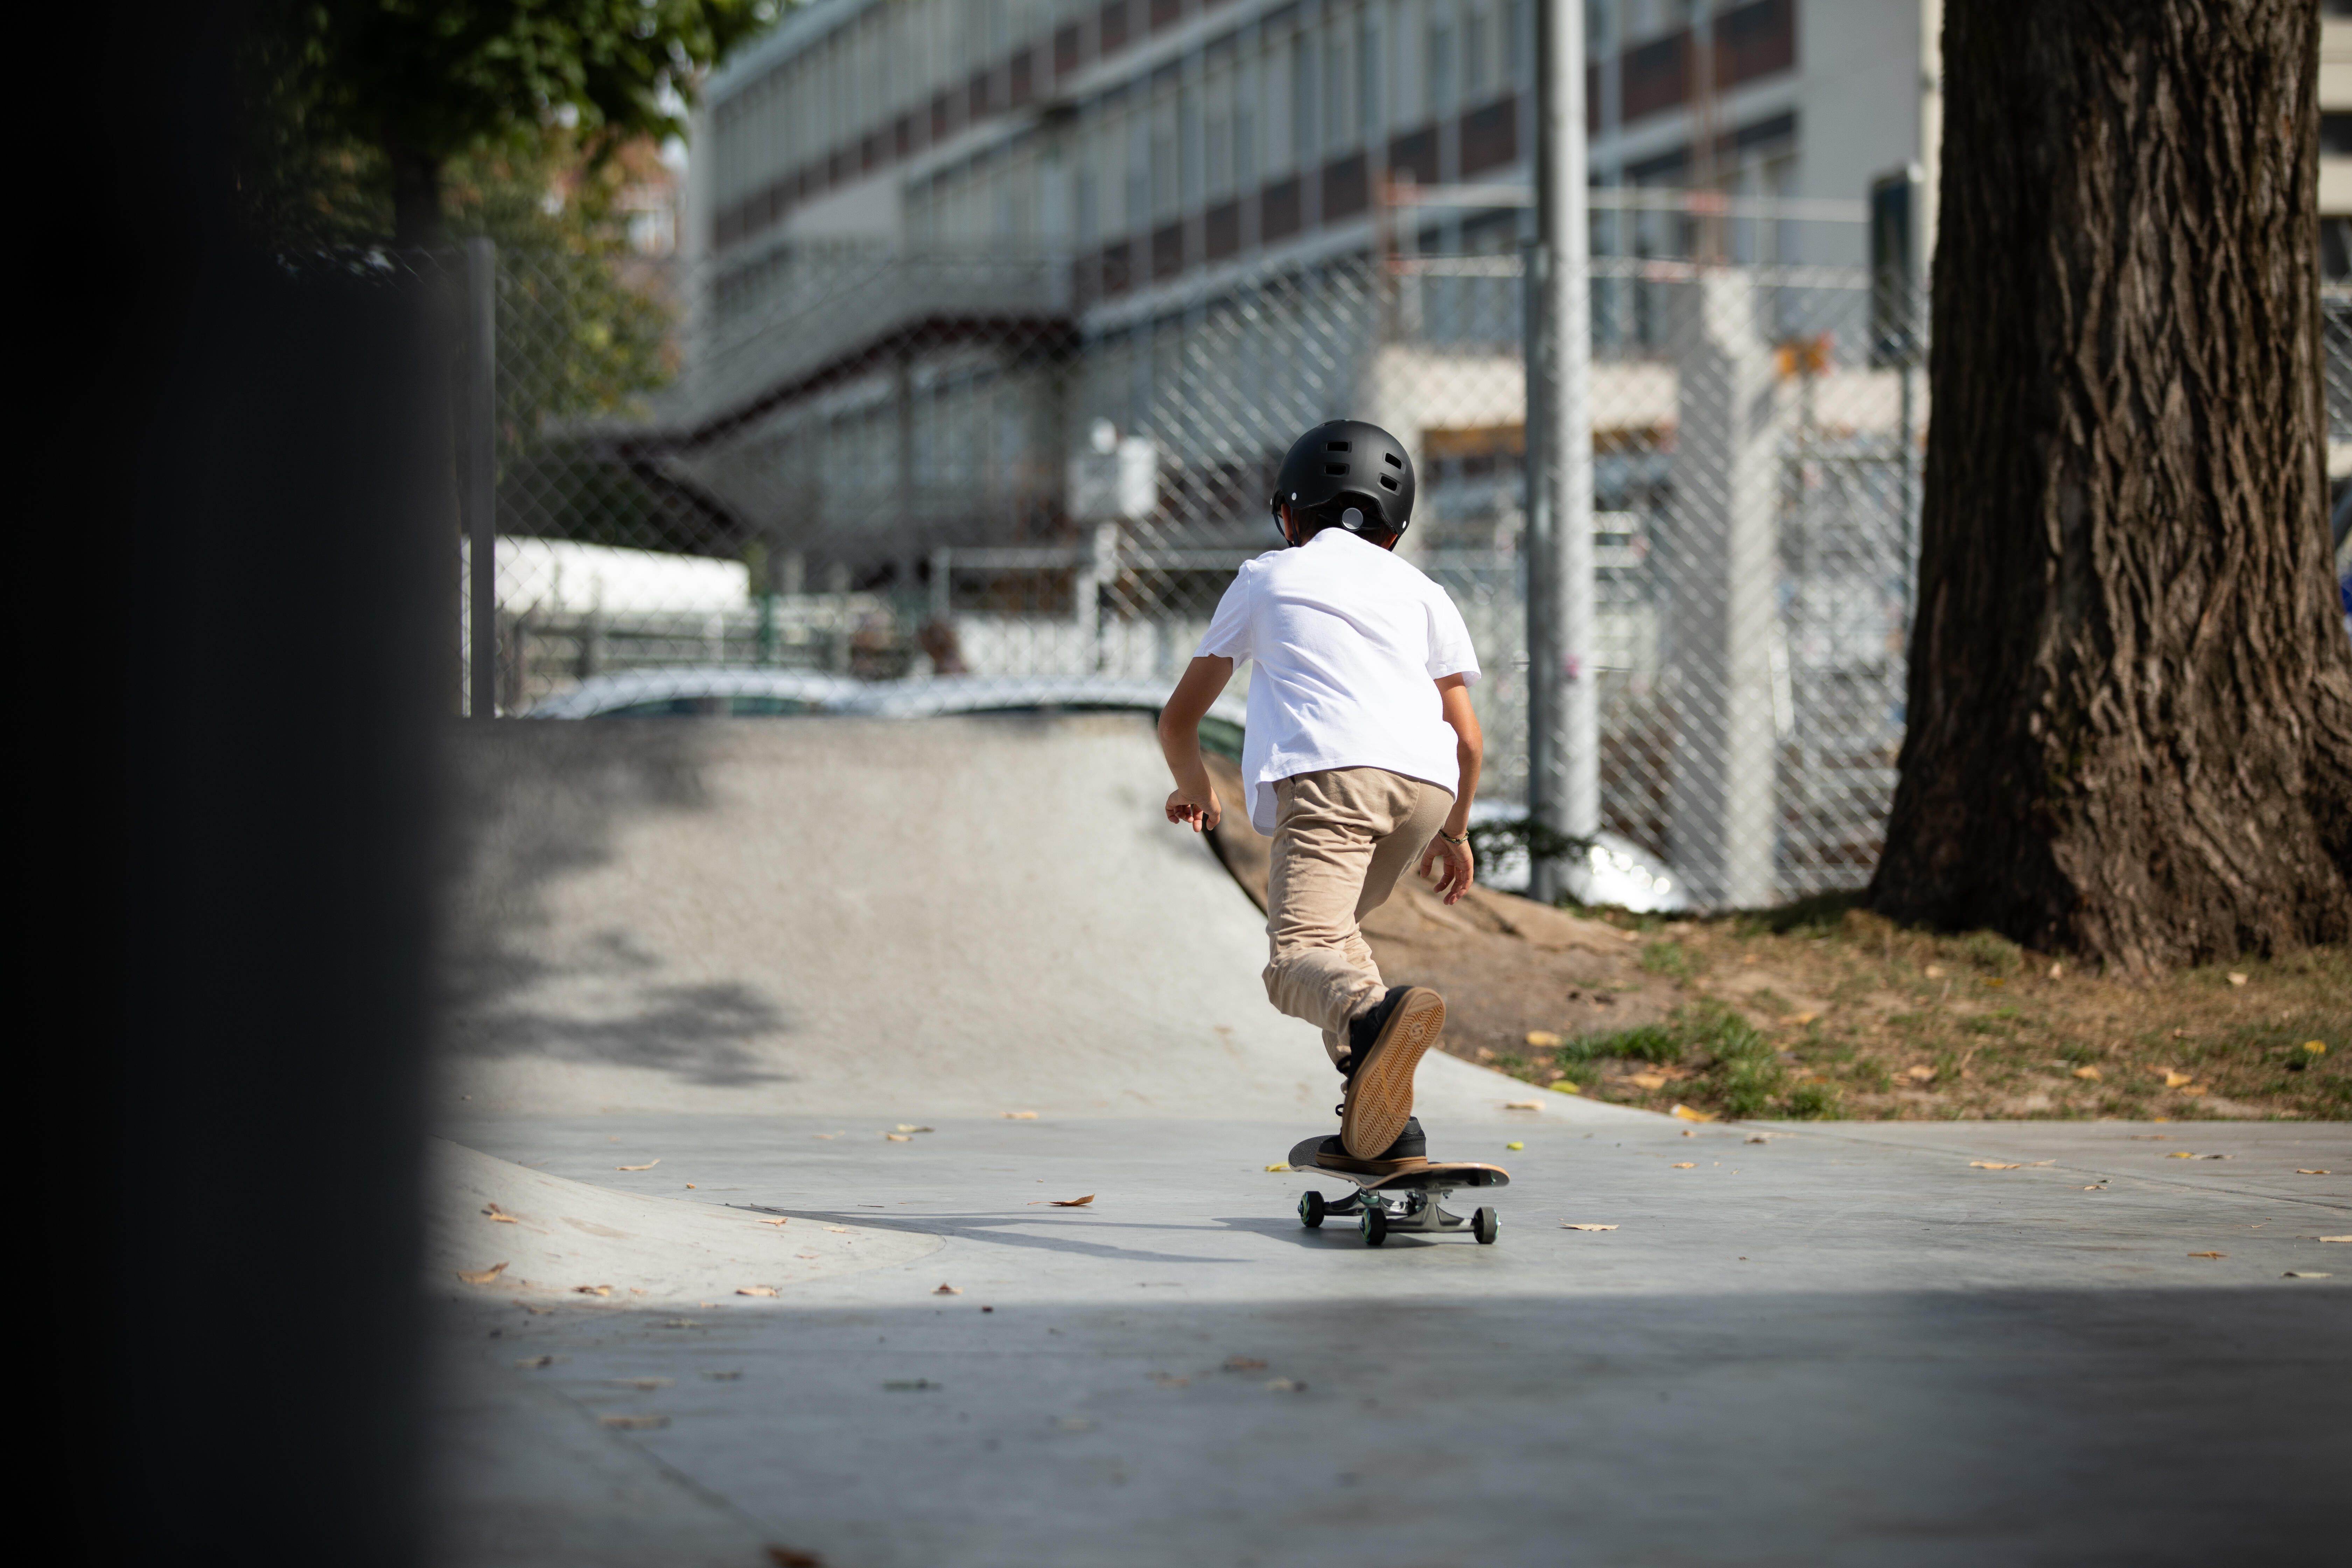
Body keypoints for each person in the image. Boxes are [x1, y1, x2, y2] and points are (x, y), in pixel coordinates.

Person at [1157, 419, 1483, 1175]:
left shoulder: (1265, 577)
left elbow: (1180, 718)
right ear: (1395, 530)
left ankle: (1371, 1020)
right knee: (1336, 942)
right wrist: (1456, 833)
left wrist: (1195, 787)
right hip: (1427, 788)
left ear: (1288, 515)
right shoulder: (1426, 593)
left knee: (1295, 960)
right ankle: (1387, 1125)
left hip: (1332, 778)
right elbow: (1468, 740)